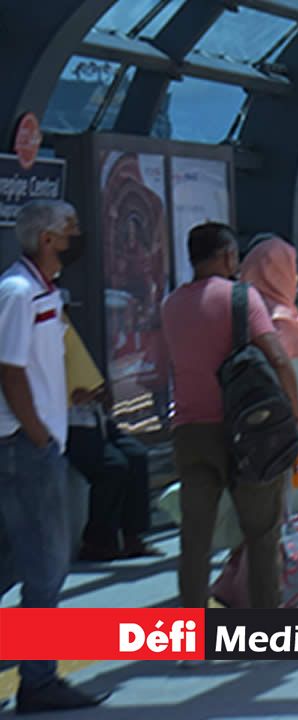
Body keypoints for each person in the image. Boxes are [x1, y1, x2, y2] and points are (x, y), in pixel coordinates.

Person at [161, 222, 298, 612]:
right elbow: (277, 358)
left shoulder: (171, 305)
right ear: (228, 255)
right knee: (261, 533)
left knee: (195, 539)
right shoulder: (243, 299)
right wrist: (296, 414)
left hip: (191, 431)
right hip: (249, 429)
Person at [0, 200, 110, 712]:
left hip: (35, 440)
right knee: (45, 567)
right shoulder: (19, 293)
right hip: (27, 448)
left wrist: (64, 398)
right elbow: (10, 370)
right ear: (47, 239)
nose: (77, 238)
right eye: (71, 230)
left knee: (18, 562)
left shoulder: (42, 291)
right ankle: (38, 682)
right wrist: (39, 434)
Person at [240, 236, 298, 518]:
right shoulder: (288, 325)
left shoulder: (240, 318)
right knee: (297, 512)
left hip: (248, 437)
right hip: (295, 434)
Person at [67, 391, 160, 562]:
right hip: (69, 425)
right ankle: (97, 542)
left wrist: (102, 395)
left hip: (98, 420)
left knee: (137, 455)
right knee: (112, 467)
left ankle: (132, 536)